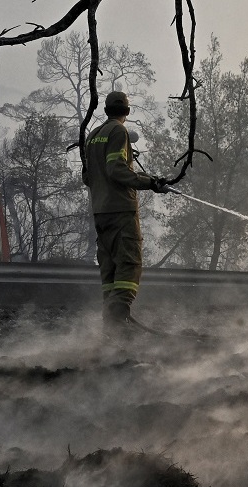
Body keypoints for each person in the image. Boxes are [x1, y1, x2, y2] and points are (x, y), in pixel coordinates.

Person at [82, 90, 171, 336]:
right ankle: (118, 319)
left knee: (110, 271)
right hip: (121, 211)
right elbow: (116, 170)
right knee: (129, 265)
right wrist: (151, 182)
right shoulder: (119, 132)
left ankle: (110, 327)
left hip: (100, 213)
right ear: (127, 111)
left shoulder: (92, 136)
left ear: (106, 109)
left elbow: (87, 176)